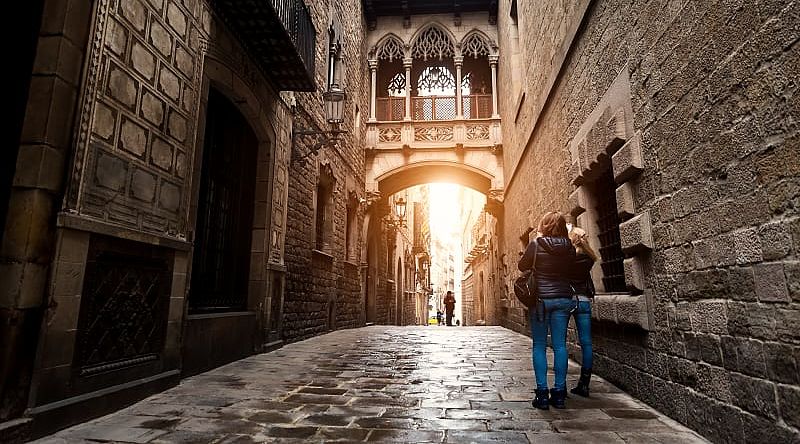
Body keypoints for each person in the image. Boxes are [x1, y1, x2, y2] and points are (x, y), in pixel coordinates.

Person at [518, 211, 576, 410]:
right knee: (560, 346)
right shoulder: (569, 247)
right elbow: (571, 271)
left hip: (541, 300)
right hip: (562, 299)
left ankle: (542, 394)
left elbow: (521, 265)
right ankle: (559, 394)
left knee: (539, 345)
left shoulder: (536, 244)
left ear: (545, 225)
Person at [567, 226, 598, 397]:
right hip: (584, 301)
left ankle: (560, 386)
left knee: (559, 342)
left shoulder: (568, 258)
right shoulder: (589, 259)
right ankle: (584, 384)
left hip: (568, 299)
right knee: (586, 343)